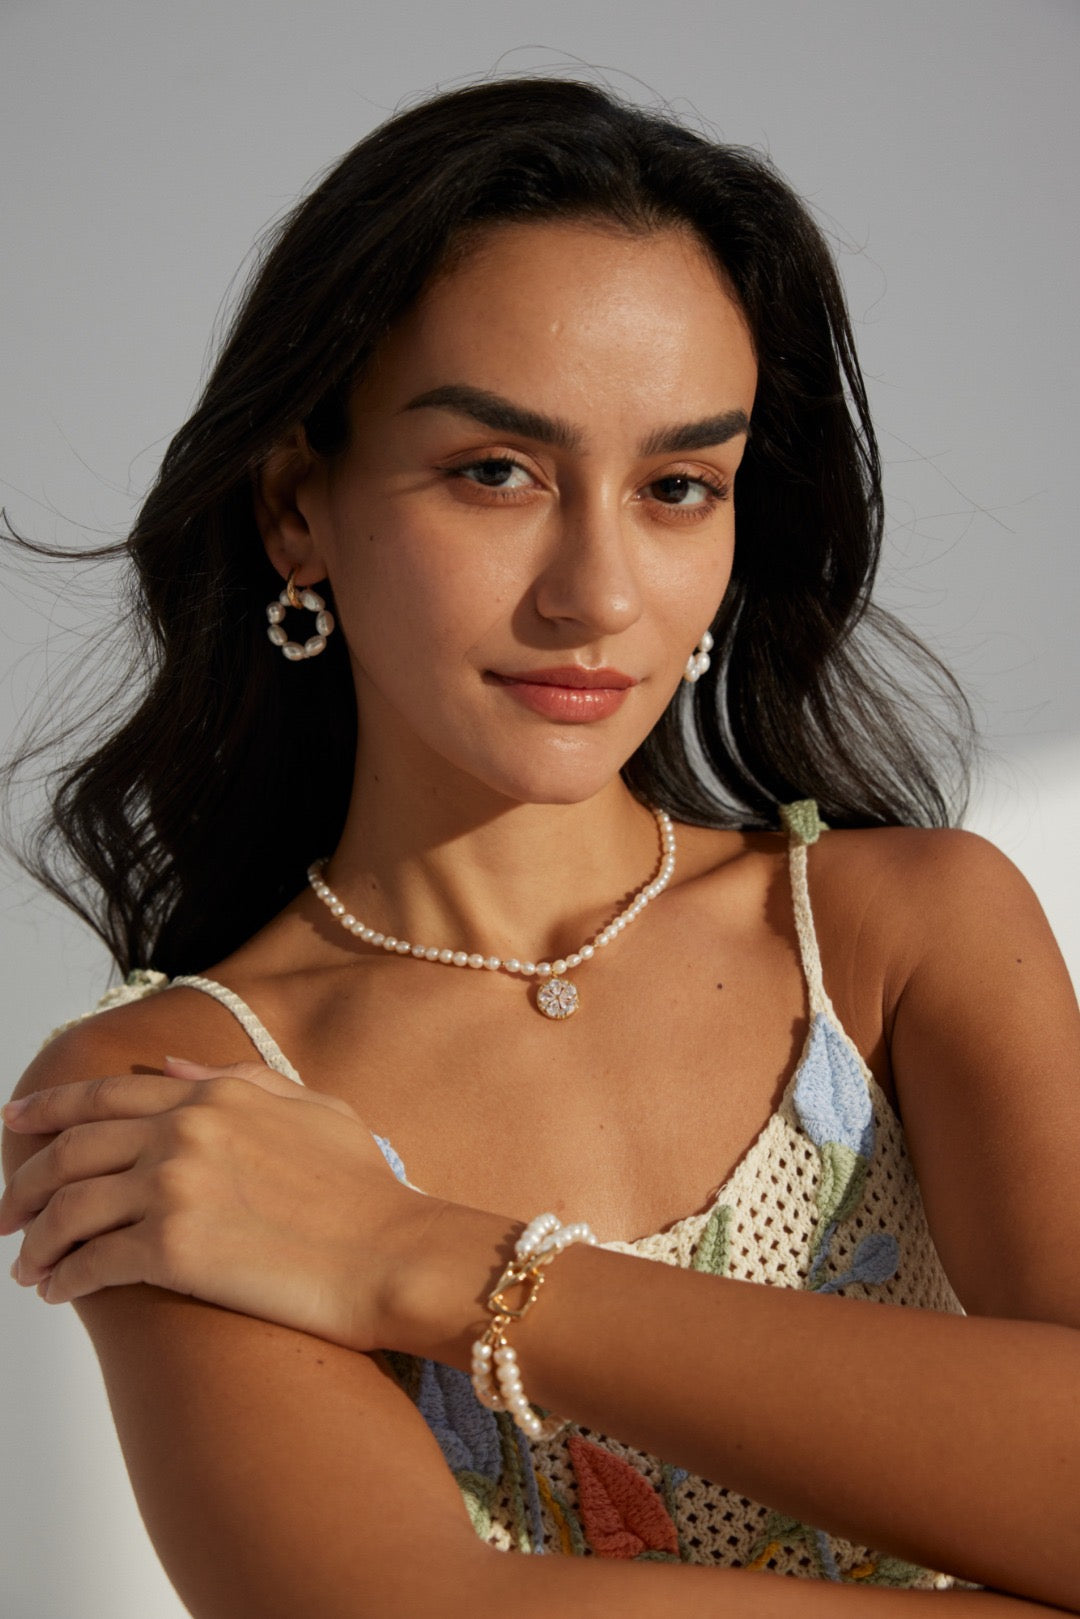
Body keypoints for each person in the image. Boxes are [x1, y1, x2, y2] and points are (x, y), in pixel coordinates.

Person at [1, 75, 1077, 1618]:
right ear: (299, 507)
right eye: (496, 473)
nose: (598, 590)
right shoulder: (173, 1097)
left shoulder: (903, 937)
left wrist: (417, 1258)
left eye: (677, 487)